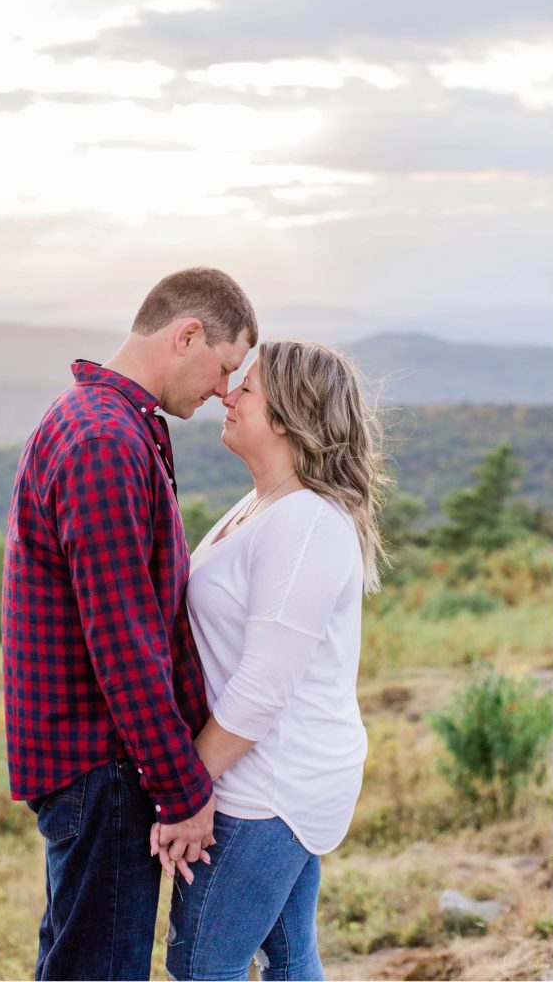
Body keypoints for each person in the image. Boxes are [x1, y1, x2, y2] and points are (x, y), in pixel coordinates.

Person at [1, 267, 257, 981]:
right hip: (102, 766)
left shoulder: (104, 423)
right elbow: (123, 643)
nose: (221, 392)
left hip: (97, 765)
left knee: (79, 960)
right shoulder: (105, 442)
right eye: (224, 368)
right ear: (187, 335)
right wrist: (182, 790)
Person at [152, 339, 387, 982]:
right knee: (288, 956)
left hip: (270, 787)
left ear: (285, 414)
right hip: (267, 774)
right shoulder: (265, 504)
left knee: (203, 967)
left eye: (246, 388)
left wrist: (184, 792)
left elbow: (262, 689)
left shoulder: (305, 522)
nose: (228, 394)